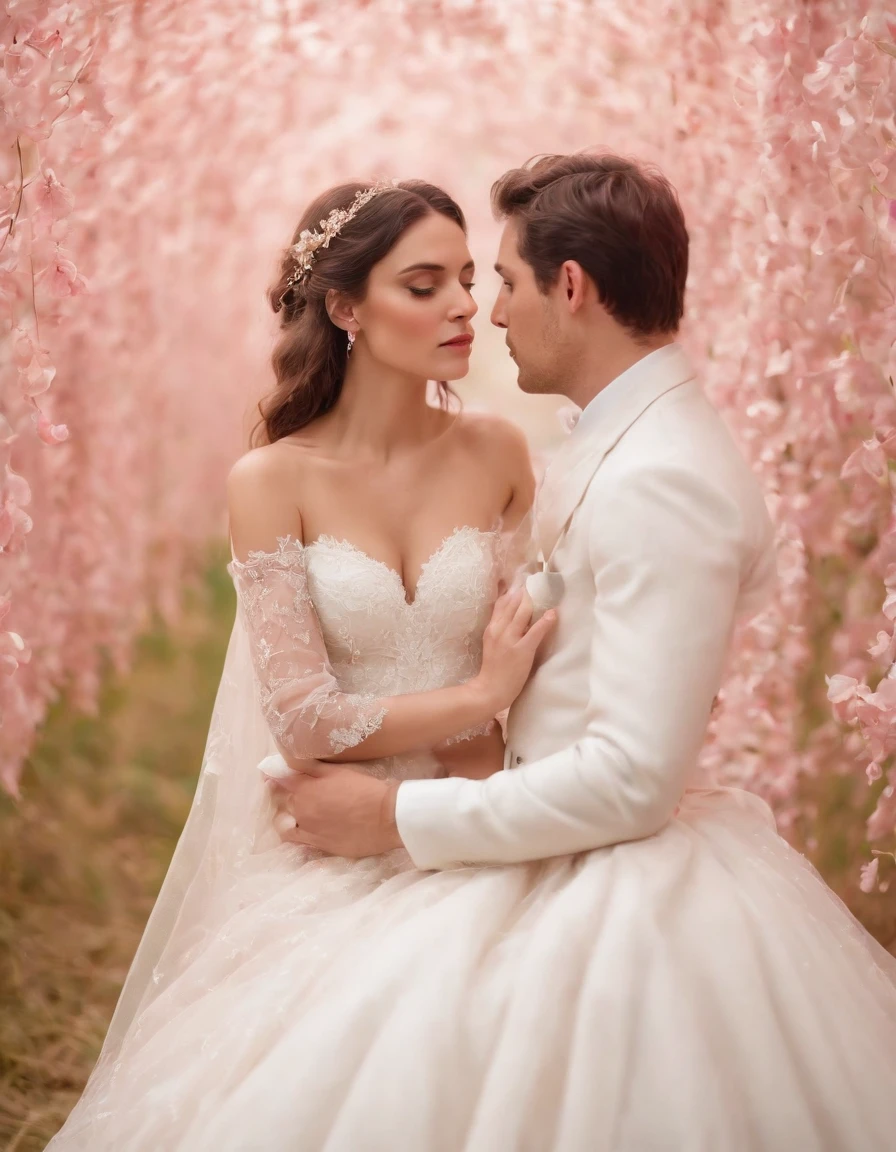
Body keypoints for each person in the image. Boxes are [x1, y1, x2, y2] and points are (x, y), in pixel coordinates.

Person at [47, 159, 896, 1152]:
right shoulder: (276, 478)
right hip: (381, 810)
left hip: (462, 805)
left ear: (567, 287)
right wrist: (484, 700)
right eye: (429, 284)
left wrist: (520, 713)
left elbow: (554, 664)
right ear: (344, 310)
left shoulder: (513, 456)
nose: (471, 309)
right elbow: (327, 709)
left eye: (482, 278)